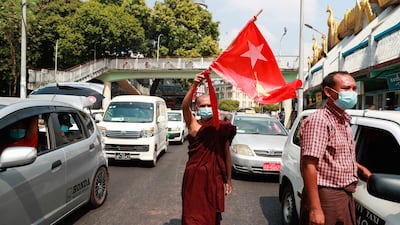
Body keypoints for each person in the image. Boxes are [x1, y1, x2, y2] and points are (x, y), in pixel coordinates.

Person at [299, 71, 371, 225]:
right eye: (346, 88)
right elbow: (308, 164)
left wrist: (359, 168)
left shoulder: (343, 119)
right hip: (326, 195)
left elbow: (334, 153)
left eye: (354, 88)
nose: (352, 93)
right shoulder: (320, 120)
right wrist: (315, 208)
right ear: (328, 92)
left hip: (343, 193)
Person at [181, 72, 236, 225]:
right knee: (191, 215)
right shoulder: (193, 124)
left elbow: (226, 154)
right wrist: (194, 86)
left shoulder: (220, 127)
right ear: (197, 108)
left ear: (215, 107)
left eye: (209, 105)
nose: (206, 108)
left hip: (214, 179)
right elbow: (184, 106)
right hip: (194, 177)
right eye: (203, 106)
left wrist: (228, 180)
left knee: (210, 216)